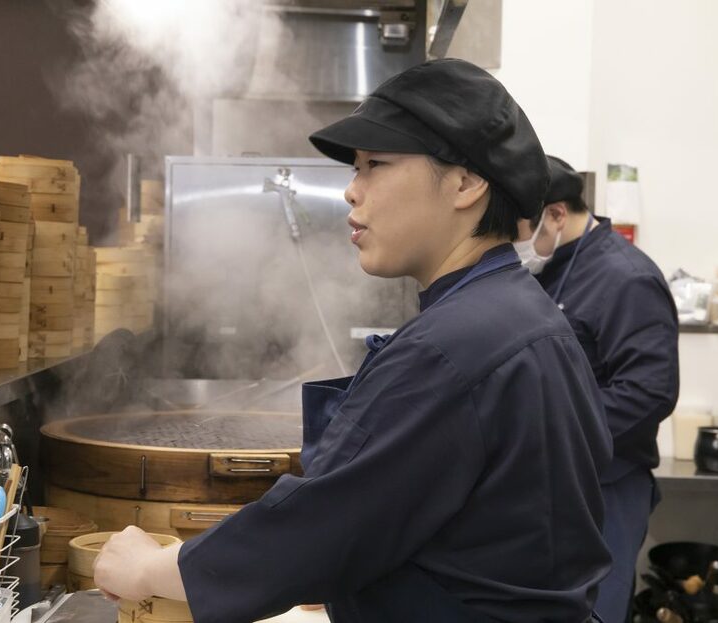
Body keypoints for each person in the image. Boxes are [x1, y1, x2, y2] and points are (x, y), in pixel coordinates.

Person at [94, 59, 613, 623]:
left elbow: (312, 532)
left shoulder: (449, 348)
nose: (350, 191)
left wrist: (148, 570)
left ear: (465, 182)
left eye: (376, 165)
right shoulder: (522, 316)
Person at [514, 156, 680, 623]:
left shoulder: (625, 277)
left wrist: (547, 428)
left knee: (593, 611)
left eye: (521, 229)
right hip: (552, 483)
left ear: (557, 214)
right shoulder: (547, 269)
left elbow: (650, 392)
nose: (516, 243)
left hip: (607, 487)